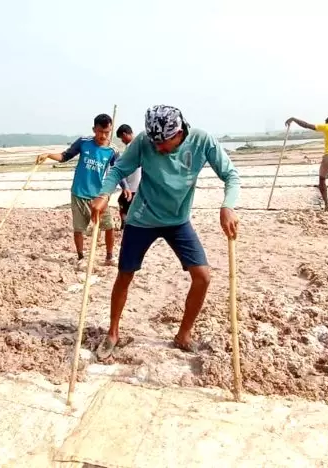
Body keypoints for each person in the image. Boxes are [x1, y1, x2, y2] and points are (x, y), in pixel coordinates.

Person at [89, 105, 240, 359]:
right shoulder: (145, 142)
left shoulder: (202, 141)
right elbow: (118, 170)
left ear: (180, 132)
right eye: (154, 142)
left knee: (202, 277)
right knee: (124, 274)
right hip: (141, 218)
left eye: (163, 143)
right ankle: (113, 332)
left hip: (178, 220)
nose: (157, 148)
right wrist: (104, 194)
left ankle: (184, 335)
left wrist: (228, 206)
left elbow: (231, 176)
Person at [36, 113, 120, 266]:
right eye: (100, 131)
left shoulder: (112, 151)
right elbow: (65, 156)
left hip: (99, 196)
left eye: (106, 132)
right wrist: (48, 155)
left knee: (109, 226)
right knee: (79, 228)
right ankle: (81, 258)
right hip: (79, 193)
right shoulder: (83, 142)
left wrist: (120, 190)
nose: (103, 135)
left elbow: (117, 172)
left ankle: (109, 257)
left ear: (110, 130)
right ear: (94, 129)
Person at [285, 114, 328, 211]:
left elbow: (307, 125)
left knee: (322, 180)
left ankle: (326, 204)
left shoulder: (327, 126)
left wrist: (293, 119)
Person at [114, 124, 142, 228]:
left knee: (123, 203)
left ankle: (126, 225)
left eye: (122, 138)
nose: (122, 141)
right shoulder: (138, 145)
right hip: (136, 184)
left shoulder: (131, 147)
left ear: (125, 134)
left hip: (132, 185)